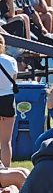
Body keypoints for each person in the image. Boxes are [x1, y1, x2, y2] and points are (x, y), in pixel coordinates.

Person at [0, 34, 17, 167]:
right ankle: (6, 171)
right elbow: (14, 78)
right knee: (6, 142)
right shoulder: (10, 61)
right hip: (7, 99)